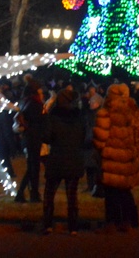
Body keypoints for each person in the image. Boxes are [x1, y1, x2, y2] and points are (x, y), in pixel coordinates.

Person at [92, 82, 139, 232]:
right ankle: (128, 221)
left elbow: (100, 137)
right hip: (128, 157)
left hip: (111, 158)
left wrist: (101, 150)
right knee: (125, 191)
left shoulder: (106, 112)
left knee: (111, 193)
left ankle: (112, 222)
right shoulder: (133, 110)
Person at [41, 86, 85, 234]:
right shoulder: (79, 117)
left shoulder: (53, 117)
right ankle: (73, 226)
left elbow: (46, 137)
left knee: (49, 193)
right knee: (72, 195)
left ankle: (47, 224)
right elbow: (83, 137)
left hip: (57, 159)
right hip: (74, 158)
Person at [14, 80, 47, 203]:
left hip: (28, 137)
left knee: (32, 166)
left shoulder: (25, 101)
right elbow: (38, 120)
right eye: (39, 90)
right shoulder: (35, 103)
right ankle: (30, 193)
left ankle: (25, 193)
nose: (42, 92)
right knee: (34, 166)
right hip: (34, 137)